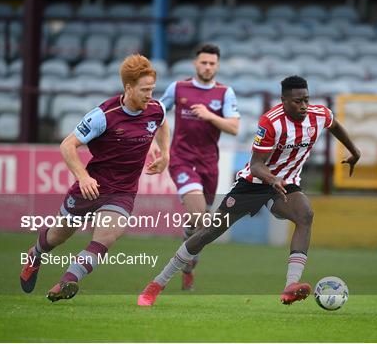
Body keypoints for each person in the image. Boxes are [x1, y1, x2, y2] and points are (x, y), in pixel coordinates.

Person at [137, 75, 361, 306]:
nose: (303, 106)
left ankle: (290, 286)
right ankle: (157, 283)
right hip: (253, 184)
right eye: (297, 101)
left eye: (306, 100)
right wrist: (272, 179)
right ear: (283, 100)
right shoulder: (270, 122)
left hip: (286, 184)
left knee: (306, 214)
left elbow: (334, 125)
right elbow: (256, 165)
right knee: (208, 233)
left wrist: (354, 151)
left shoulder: (318, 114)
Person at [19, 54, 170, 302]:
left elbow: (163, 123)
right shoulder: (103, 115)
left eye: (152, 89)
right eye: (144, 90)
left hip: (123, 191)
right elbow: (68, 145)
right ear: (128, 87)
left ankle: (68, 281)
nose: (149, 95)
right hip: (91, 187)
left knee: (106, 237)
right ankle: (34, 254)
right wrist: (84, 176)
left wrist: (165, 153)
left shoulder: (155, 109)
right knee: (57, 236)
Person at [157, 43, 239, 290]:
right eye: (203, 62)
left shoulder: (225, 93)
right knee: (197, 216)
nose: (207, 67)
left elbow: (234, 128)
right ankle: (180, 267)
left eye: (212, 63)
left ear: (217, 65)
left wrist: (210, 116)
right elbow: (157, 114)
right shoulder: (178, 88)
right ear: (195, 64)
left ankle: (189, 266)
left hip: (209, 165)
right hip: (182, 160)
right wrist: (155, 145)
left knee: (200, 225)